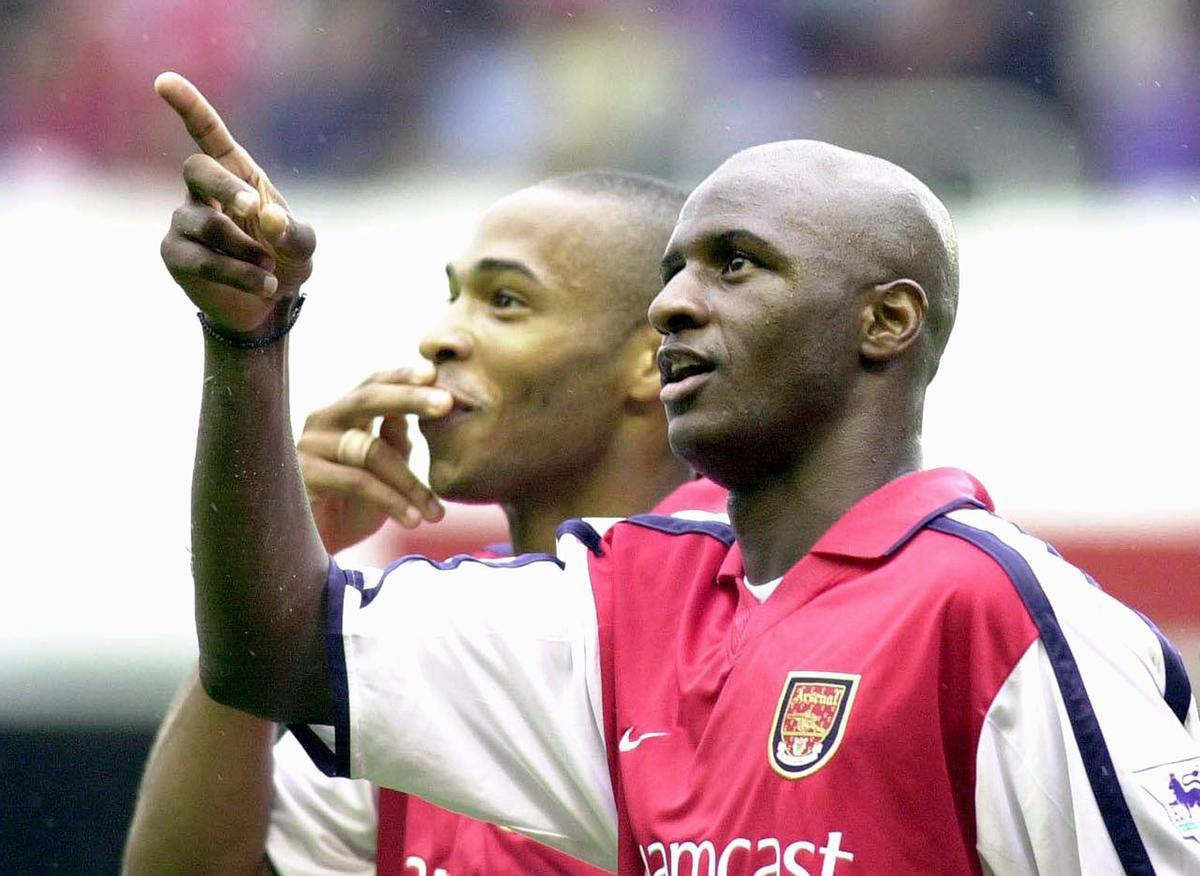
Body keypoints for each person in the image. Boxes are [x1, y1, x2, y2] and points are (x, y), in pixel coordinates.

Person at [155, 70, 1200, 874]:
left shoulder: (992, 606)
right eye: (672, 276)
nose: (676, 305)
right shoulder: (612, 613)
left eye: (734, 265)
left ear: (885, 320)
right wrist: (247, 344)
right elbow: (270, 654)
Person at [123, 80, 726, 875]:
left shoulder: (750, 603)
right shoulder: (435, 633)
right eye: (453, 297)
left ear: (652, 360)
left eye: (505, 302)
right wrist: (281, 565)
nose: (441, 336)